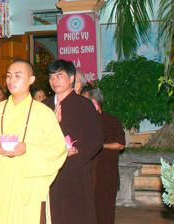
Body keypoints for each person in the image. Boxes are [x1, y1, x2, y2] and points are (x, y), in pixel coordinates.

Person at [0, 60, 67, 223]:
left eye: (18, 76)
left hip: (28, 184)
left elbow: (57, 149)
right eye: (8, 76)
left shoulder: (44, 113)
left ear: (31, 80)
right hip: (2, 182)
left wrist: (27, 149)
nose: (11, 80)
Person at [44, 60, 103, 224]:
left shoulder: (84, 105)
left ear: (71, 79)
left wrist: (79, 151)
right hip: (49, 169)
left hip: (74, 168)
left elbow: (96, 138)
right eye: (51, 77)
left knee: (75, 214)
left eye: (59, 76)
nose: (54, 80)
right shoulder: (43, 106)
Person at [84, 88, 125, 224]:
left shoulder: (111, 120)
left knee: (105, 212)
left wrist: (100, 146)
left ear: (94, 103)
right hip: (87, 175)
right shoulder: (84, 122)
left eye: (85, 101)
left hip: (106, 175)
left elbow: (120, 144)